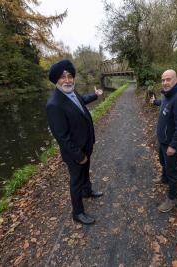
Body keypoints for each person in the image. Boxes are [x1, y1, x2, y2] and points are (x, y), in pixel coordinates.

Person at [46, 59, 104, 225]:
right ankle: (77, 212)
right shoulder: (54, 104)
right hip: (74, 152)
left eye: (70, 76)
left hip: (86, 143)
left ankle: (88, 191)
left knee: (86, 171)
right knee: (76, 180)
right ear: (56, 80)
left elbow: (81, 100)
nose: (67, 80)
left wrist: (96, 95)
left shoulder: (72, 92)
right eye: (63, 77)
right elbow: (61, 137)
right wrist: (79, 156)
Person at [150, 69, 177, 213]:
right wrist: (155, 102)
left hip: (170, 144)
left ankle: (171, 198)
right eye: (163, 80)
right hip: (162, 141)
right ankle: (164, 178)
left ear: (176, 80)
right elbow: (165, 104)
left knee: (172, 171)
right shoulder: (167, 95)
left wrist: (174, 145)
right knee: (162, 162)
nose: (165, 82)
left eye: (168, 79)